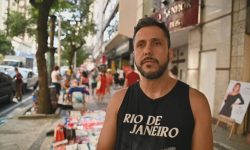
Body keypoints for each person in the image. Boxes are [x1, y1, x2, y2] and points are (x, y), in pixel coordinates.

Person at [97, 17, 213, 150]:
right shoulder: (118, 100)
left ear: (170, 54)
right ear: (134, 55)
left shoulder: (196, 103)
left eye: (156, 43)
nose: (147, 51)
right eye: (141, 44)